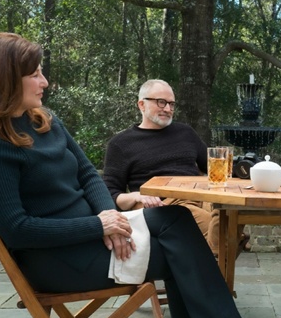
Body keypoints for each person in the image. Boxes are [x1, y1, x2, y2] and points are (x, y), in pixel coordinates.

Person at [0, 32, 279, 318]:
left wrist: (111, 220)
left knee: (176, 219)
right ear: (5, 80)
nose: (45, 82)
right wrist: (98, 225)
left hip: (95, 239)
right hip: (60, 260)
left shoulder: (44, 120)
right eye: (35, 74)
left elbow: (88, 176)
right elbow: (17, 230)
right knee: (183, 252)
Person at [103, 79, 248, 256]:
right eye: (161, 102)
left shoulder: (185, 133)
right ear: (141, 104)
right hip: (164, 203)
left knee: (232, 209)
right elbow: (110, 194)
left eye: (171, 104)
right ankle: (230, 243)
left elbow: (215, 167)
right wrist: (137, 195)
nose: (168, 108)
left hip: (201, 195)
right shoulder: (121, 144)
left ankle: (223, 247)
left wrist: (248, 169)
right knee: (224, 228)